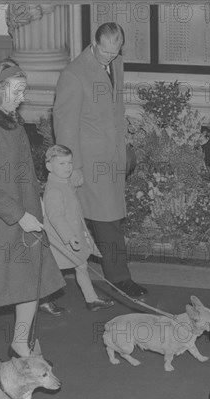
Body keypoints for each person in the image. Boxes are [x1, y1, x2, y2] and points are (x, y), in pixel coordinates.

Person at [0, 59, 65, 363]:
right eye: (17, 90)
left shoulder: (11, 122)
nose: (22, 96)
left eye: (24, 90)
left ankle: (21, 342)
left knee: (29, 276)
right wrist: (20, 215)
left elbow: (24, 174)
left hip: (23, 213)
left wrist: (37, 205)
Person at [53, 22, 147, 300]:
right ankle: (120, 280)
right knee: (107, 222)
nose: (109, 57)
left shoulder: (116, 63)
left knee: (100, 221)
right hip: (90, 162)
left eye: (114, 52)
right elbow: (64, 125)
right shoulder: (73, 74)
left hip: (113, 156)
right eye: (104, 52)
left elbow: (114, 109)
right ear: (94, 44)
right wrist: (74, 167)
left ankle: (48, 282)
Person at [43, 144, 115, 311]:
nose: (68, 167)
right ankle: (42, 300)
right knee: (53, 272)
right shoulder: (54, 189)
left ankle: (91, 299)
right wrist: (69, 236)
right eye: (61, 164)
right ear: (49, 166)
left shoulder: (63, 183)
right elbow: (56, 216)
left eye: (69, 163)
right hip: (60, 241)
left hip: (72, 236)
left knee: (81, 266)